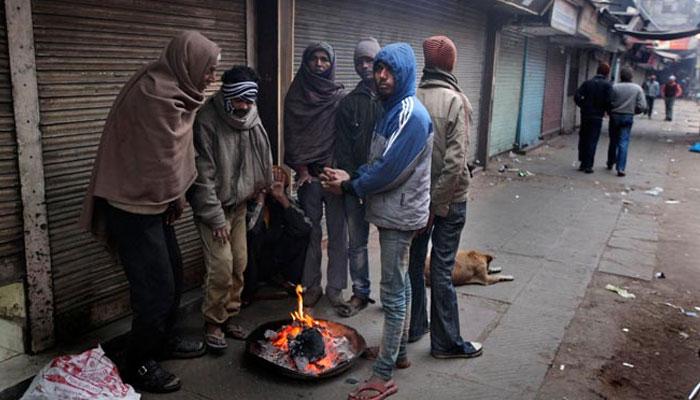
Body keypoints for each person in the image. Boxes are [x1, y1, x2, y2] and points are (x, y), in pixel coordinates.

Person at [79, 31, 220, 393]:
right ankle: (137, 362)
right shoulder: (153, 93)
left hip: (154, 202)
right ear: (188, 63)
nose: (210, 78)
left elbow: (171, 159)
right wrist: (172, 193)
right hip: (131, 205)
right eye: (208, 70)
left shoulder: (179, 91)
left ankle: (161, 341)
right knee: (154, 289)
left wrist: (172, 196)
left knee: (171, 275)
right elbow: (155, 160)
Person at [322, 43, 433, 400]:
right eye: (378, 69)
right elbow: (379, 161)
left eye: (389, 70)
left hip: (399, 214)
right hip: (394, 210)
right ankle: (396, 354)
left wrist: (350, 184)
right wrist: (351, 175)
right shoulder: (392, 109)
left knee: (393, 292)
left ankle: (383, 373)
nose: (380, 76)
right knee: (399, 286)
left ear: (403, 74)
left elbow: (389, 170)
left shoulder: (409, 114)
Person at [187, 65, 273, 352]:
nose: (245, 106)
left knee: (239, 263)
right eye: (240, 100)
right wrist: (214, 218)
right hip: (216, 209)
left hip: (240, 206)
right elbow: (201, 175)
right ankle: (213, 321)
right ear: (227, 95)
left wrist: (257, 196)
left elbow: (259, 158)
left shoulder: (250, 115)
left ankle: (229, 315)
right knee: (221, 266)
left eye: (250, 101)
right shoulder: (207, 120)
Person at [407, 35, 483, 359]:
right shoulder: (457, 101)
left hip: (415, 199)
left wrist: (422, 204)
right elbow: (455, 163)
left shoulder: (410, 97)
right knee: (441, 268)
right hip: (449, 202)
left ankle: (415, 326)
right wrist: (436, 206)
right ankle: (446, 343)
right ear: (450, 64)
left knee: (413, 263)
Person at [284, 42, 348, 308]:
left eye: (325, 59)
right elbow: (293, 135)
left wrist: (344, 175)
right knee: (311, 234)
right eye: (314, 59)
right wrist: (300, 170)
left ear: (332, 63)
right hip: (308, 177)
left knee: (337, 234)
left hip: (333, 178)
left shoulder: (338, 96)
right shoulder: (295, 94)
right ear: (306, 61)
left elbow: (347, 137)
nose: (320, 64)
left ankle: (335, 288)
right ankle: (311, 286)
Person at [333, 37, 383, 317]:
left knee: (391, 242)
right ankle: (360, 293)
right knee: (357, 243)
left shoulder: (393, 99)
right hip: (355, 185)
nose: (365, 66)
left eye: (370, 60)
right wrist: (352, 182)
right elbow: (343, 148)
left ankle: (392, 296)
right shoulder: (349, 103)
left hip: (385, 184)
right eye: (359, 62)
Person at [242, 166, 312, 304]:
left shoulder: (282, 201)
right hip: (254, 263)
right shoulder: (248, 205)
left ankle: (289, 280)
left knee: (300, 235)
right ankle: (248, 291)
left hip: (276, 260)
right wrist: (260, 200)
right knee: (250, 240)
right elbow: (251, 229)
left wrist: (281, 198)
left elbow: (305, 227)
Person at [607, 67, 646, 177]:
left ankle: (610, 162)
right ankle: (621, 168)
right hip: (628, 116)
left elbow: (608, 101)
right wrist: (634, 111)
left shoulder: (614, 87)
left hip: (615, 116)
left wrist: (610, 111)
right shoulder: (637, 88)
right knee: (623, 142)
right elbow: (642, 106)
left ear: (620, 75)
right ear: (632, 76)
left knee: (613, 140)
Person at [574, 63, 613, 173]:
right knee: (592, 139)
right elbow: (609, 101)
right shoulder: (607, 85)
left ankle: (582, 162)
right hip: (597, 116)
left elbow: (577, 95)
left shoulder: (587, 83)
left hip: (585, 114)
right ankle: (588, 165)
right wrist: (607, 111)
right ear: (607, 73)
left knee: (583, 138)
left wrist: (582, 105)